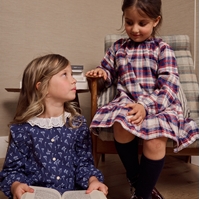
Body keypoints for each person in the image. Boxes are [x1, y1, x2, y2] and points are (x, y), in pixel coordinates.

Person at [86, 0, 199, 199]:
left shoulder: (163, 49)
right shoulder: (118, 48)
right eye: (129, 22)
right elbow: (109, 71)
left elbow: (169, 86)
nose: (135, 29)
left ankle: (142, 195)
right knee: (121, 124)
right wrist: (102, 73)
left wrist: (145, 106)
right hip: (128, 100)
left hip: (160, 104)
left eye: (142, 23)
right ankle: (137, 179)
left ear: (156, 21)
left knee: (155, 139)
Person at [0, 54, 108, 199]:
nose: (73, 80)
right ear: (42, 87)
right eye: (65, 74)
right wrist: (16, 186)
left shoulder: (78, 124)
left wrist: (93, 180)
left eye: (72, 74)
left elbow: (84, 164)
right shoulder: (22, 129)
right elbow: (12, 171)